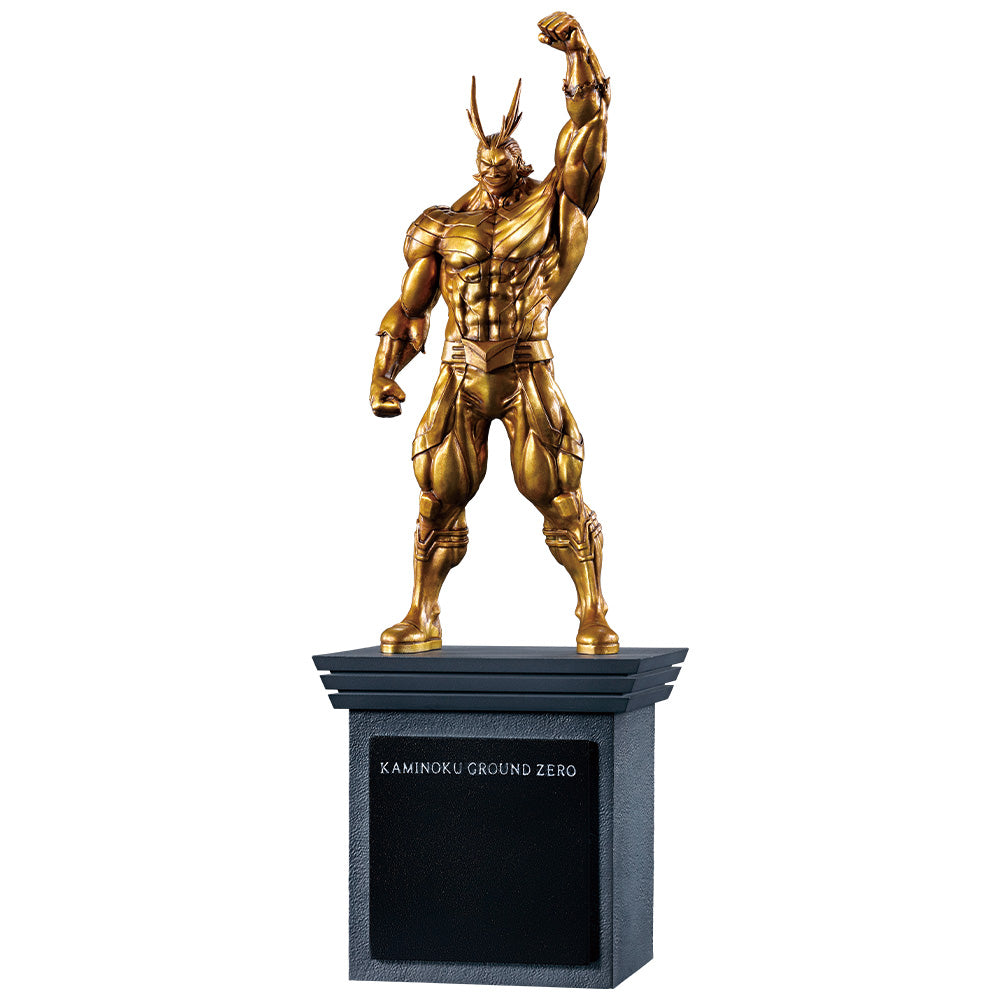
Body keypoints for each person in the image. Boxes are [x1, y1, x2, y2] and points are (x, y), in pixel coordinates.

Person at [369, 12, 618, 655]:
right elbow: (411, 306)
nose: (495, 163)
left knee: (557, 490)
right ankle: (423, 613)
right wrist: (383, 373)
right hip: (459, 370)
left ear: (519, 157)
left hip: (525, 364)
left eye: (504, 155)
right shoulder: (440, 224)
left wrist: (578, 54)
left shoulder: (551, 206)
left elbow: (588, 130)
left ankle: (592, 609)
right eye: (486, 157)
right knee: (437, 495)